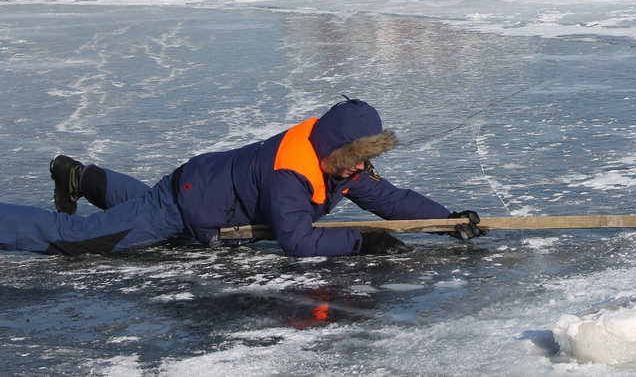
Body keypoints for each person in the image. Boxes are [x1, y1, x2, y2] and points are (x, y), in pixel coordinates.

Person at [0, 97, 485, 257]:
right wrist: (365, 242)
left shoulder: (336, 161)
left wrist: (443, 220)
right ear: (338, 150)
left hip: (195, 183)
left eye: (366, 157)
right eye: (357, 156)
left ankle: (80, 177)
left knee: (144, 204)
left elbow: (390, 199)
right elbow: (297, 241)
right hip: (190, 206)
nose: (362, 168)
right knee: (78, 239)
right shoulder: (291, 172)